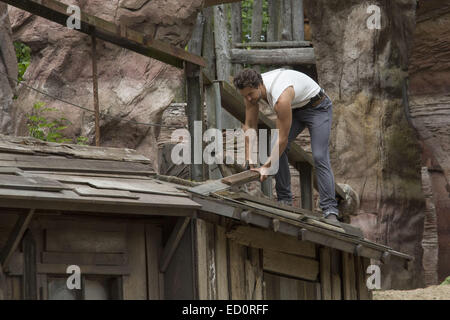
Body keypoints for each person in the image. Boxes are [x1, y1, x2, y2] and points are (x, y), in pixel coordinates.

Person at [233, 68, 339, 221]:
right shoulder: (249, 93)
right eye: (245, 96)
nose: (248, 99)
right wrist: (249, 158)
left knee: (319, 156)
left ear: (259, 86)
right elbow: (249, 126)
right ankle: (285, 200)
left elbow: (283, 140)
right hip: (295, 108)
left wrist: (266, 166)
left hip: (318, 108)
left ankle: (330, 210)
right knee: (275, 146)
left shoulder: (280, 97)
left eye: (250, 94)